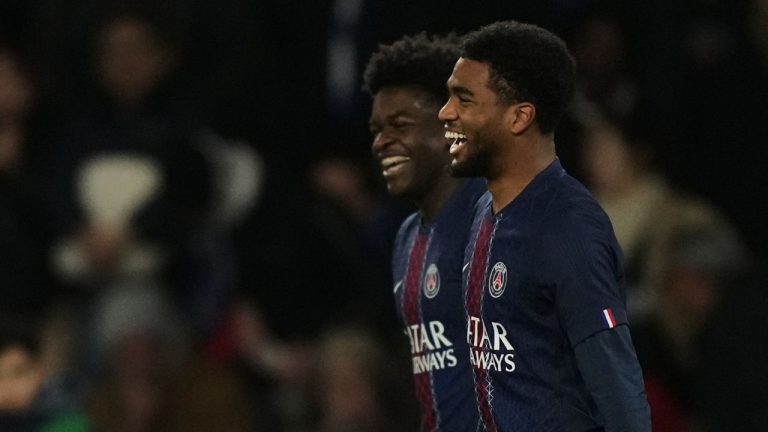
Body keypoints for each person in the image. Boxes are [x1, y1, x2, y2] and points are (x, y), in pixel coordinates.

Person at [438, 21, 650, 431]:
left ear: (519, 117)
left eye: (464, 99)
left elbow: (618, 391)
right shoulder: (485, 211)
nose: (445, 112)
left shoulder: (568, 228)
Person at [363, 32, 486, 431]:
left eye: (400, 125)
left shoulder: (499, 222)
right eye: (377, 129)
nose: (383, 142)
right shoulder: (405, 240)